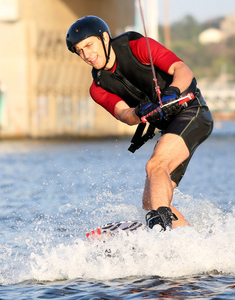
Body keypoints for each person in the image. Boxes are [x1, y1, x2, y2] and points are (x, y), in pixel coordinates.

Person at [66, 16, 213, 231]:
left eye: (89, 45)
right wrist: (140, 112)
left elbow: (183, 71)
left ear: (105, 38)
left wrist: (172, 92)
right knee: (150, 202)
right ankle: (189, 243)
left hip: (192, 112)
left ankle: (161, 230)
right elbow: (124, 114)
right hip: (169, 128)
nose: (86, 55)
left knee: (155, 165)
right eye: (80, 51)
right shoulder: (97, 88)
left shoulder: (138, 47)